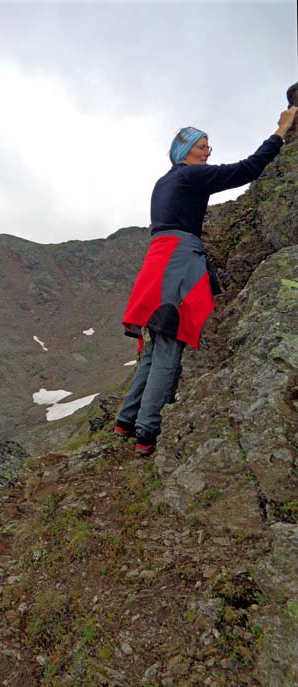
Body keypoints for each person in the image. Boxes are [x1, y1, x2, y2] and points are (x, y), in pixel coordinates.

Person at [114, 105, 298, 456]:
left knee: (155, 344)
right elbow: (245, 170)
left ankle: (126, 421)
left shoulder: (165, 181)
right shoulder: (189, 175)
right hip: (179, 258)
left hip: (158, 260)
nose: (209, 152)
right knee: (170, 341)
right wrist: (281, 131)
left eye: (209, 147)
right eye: (203, 146)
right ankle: (147, 432)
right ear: (185, 152)